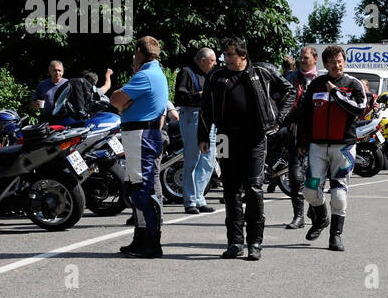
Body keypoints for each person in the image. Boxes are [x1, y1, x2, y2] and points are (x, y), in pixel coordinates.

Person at [200, 38, 294, 260]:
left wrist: (278, 118)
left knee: (253, 189)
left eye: (231, 55)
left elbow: (289, 91)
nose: (227, 59)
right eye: (225, 55)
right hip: (223, 137)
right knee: (230, 190)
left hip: (254, 137)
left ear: (243, 55)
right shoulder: (216, 75)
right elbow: (205, 108)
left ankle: (255, 243)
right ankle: (234, 242)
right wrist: (203, 136)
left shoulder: (261, 71)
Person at [297, 45, 369, 252]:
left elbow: (359, 109)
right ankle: (321, 219)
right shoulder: (316, 84)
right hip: (317, 147)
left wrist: (336, 93)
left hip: (344, 147)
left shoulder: (353, 84)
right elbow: (305, 115)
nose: (336, 65)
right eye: (332, 62)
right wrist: (302, 141)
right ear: (325, 64)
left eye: (340, 61)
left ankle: (335, 236)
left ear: (344, 62)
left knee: (338, 195)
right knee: (310, 191)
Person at [108, 38, 170, 258]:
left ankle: (150, 242)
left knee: (144, 188)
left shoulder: (145, 75)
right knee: (140, 187)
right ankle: (142, 237)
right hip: (142, 133)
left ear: (138, 52)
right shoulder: (156, 73)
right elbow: (122, 102)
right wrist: (126, 103)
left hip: (141, 134)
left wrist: (124, 103)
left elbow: (115, 99)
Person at [174, 47, 218, 215]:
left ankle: (199, 198)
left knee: (208, 161)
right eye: (212, 61)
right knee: (193, 159)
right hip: (193, 116)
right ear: (202, 61)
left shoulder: (211, 75)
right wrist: (202, 95)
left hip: (209, 119)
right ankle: (190, 201)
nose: (214, 64)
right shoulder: (186, 72)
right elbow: (179, 97)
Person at [279, 46, 318, 228]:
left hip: (317, 133)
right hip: (295, 130)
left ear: (315, 59)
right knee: (295, 174)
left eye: (306, 57)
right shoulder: (290, 77)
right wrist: (290, 119)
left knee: (316, 173)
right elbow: (282, 101)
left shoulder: (321, 80)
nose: (302, 60)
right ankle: (298, 216)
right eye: (301, 57)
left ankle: (314, 208)